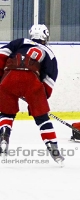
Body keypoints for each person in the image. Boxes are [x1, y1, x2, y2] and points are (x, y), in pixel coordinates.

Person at [0, 24, 64, 164]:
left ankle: (4, 136)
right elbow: (49, 78)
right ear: (45, 36)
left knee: (6, 114)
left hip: (8, 78)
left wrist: (2, 80)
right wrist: (39, 100)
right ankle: (54, 150)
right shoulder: (49, 52)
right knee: (42, 119)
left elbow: (1, 56)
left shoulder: (20, 42)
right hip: (32, 81)